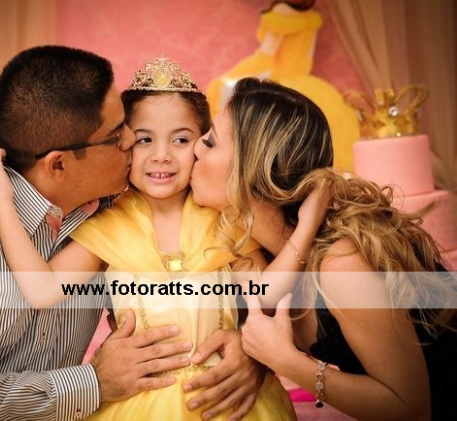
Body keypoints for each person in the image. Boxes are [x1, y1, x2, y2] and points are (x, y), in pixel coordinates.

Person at [0, 46, 255, 420]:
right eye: (119, 136)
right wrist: (95, 383)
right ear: (58, 165)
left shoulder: (116, 196)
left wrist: (250, 351)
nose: (136, 146)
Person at [0, 58, 330, 420]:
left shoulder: (223, 220)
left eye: (181, 139)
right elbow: (41, 289)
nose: (162, 155)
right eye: (145, 139)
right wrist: (2, 199)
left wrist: (307, 225)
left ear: (202, 144)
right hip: (139, 404)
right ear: (124, 143)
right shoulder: (108, 225)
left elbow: (266, 294)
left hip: (225, 399)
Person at [191, 77, 457, 420]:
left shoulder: (342, 263)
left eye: (211, 141)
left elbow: (414, 408)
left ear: (251, 171)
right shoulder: (254, 253)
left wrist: (287, 361)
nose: (195, 148)